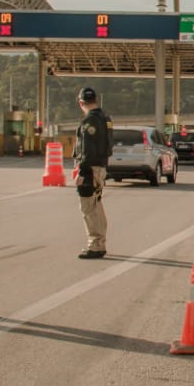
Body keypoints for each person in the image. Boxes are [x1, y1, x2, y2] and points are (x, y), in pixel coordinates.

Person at [74, 87, 111, 259]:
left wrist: (83, 171)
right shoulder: (105, 118)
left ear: (81, 103)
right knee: (96, 204)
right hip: (100, 166)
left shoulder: (89, 120)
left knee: (89, 207)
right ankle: (100, 242)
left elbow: (87, 148)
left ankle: (95, 245)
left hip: (90, 167)